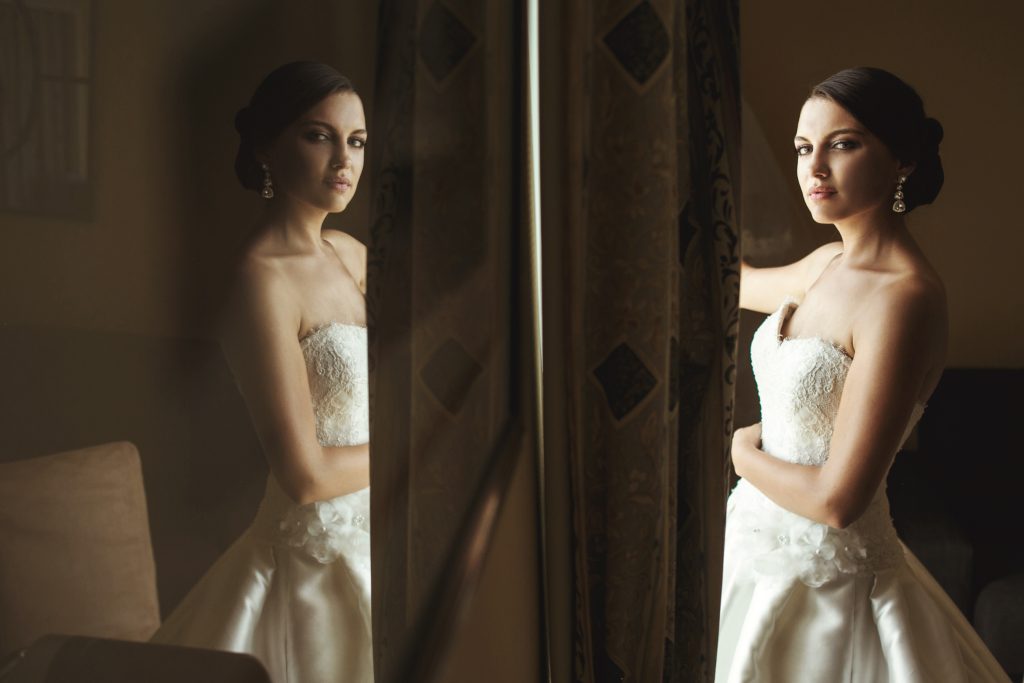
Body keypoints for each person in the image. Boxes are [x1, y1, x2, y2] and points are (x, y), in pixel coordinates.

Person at [716, 67, 1010, 682]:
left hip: (830, 594)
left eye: (842, 144)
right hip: (750, 551)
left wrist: (739, 451)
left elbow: (838, 501)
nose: (813, 168)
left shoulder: (905, 299)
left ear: (900, 160)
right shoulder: (825, 264)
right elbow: (728, 278)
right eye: (803, 148)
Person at [151, 61, 373, 683]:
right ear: (267, 147)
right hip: (312, 569)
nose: (343, 159)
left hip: (384, 538)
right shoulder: (260, 280)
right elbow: (303, 477)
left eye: (355, 141)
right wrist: (419, 441)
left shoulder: (354, 256)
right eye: (318, 134)